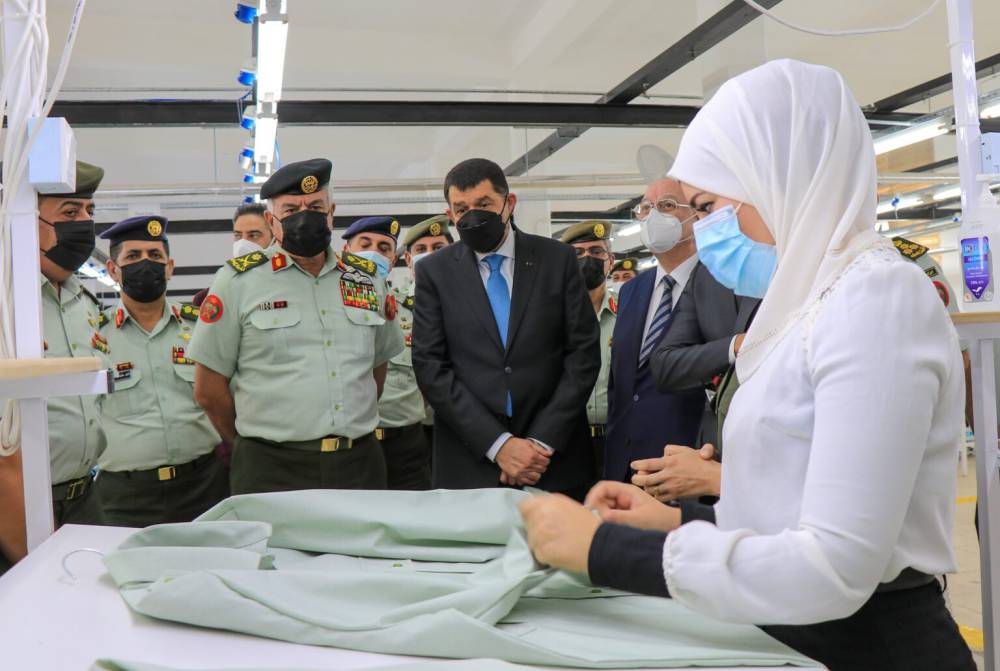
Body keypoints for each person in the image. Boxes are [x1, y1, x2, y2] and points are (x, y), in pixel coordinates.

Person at [520, 60, 974, 671]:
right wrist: (674, 520)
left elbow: (835, 565)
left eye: (708, 205)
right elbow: (793, 497)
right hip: (790, 634)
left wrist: (604, 551)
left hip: (868, 645)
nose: (704, 230)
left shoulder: (876, 298)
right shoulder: (805, 302)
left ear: (778, 177)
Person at [189, 158, 403, 494]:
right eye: (291, 210)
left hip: (358, 463)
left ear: (331, 213)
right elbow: (208, 389)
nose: (305, 216)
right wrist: (251, 443)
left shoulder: (366, 279)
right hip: (271, 468)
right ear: (271, 221)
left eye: (315, 206)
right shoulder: (237, 282)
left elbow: (377, 368)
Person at [411, 158, 599, 499]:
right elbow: (430, 367)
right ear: (450, 214)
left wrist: (540, 443)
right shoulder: (434, 273)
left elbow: (582, 355)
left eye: (484, 204)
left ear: (508, 203)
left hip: (554, 459)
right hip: (470, 462)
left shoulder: (557, 260)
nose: (472, 216)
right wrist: (499, 445)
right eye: (461, 209)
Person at [0, 161, 107, 569]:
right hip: (19, 506)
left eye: (89, 211)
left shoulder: (82, 301)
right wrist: (35, 563)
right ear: (26, 219)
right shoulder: (8, 305)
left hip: (85, 499)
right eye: (69, 212)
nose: (84, 224)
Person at [94, 216, 228, 526]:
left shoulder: (201, 327)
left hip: (205, 486)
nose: (146, 263)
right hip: (124, 496)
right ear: (112, 270)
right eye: (133, 256)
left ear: (169, 267)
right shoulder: (94, 337)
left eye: (154, 255)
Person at [603, 178, 707, 483]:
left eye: (667, 206)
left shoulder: (718, 285)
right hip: (625, 465)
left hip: (686, 463)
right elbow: (620, 384)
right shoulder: (632, 290)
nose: (653, 216)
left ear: (696, 215)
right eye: (646, 208)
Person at [648, 178, 761, 451]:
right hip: (713, 448)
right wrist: (735, 346)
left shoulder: (801, 271)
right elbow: (665, 364)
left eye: (706, 207)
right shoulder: (706, 277)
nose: (703, 223)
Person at [343, 215, 428, 490]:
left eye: (383, 248)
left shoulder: (408, 310)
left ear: (393, 261)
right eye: (365, 244)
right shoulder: (326, 309)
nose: (373, 253)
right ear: (346, 251)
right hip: (348, 445)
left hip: (405, 444)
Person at [560, 220, 617, 478]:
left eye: (596, 252)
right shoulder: (551, 318)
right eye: (578, 253)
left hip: (618, 439)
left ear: (610, 261)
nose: (588, 259)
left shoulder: (630, 314)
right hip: (567, 442)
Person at [403, 214, 453, 448]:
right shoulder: (394, 307)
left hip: (464, 422)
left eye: (438, 248)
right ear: (408, 259)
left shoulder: (476, 303)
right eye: (421, 249)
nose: (430, 255)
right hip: (414, 426)